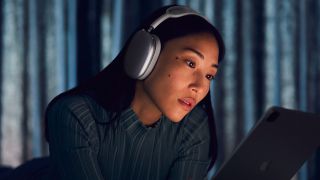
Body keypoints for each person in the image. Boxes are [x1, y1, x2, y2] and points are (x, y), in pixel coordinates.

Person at [45, 4, 225, 180]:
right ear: (145, 54)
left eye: (210, 76)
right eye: (191, 63)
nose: (200, 87)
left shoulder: (194, 126)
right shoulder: (74, 115)